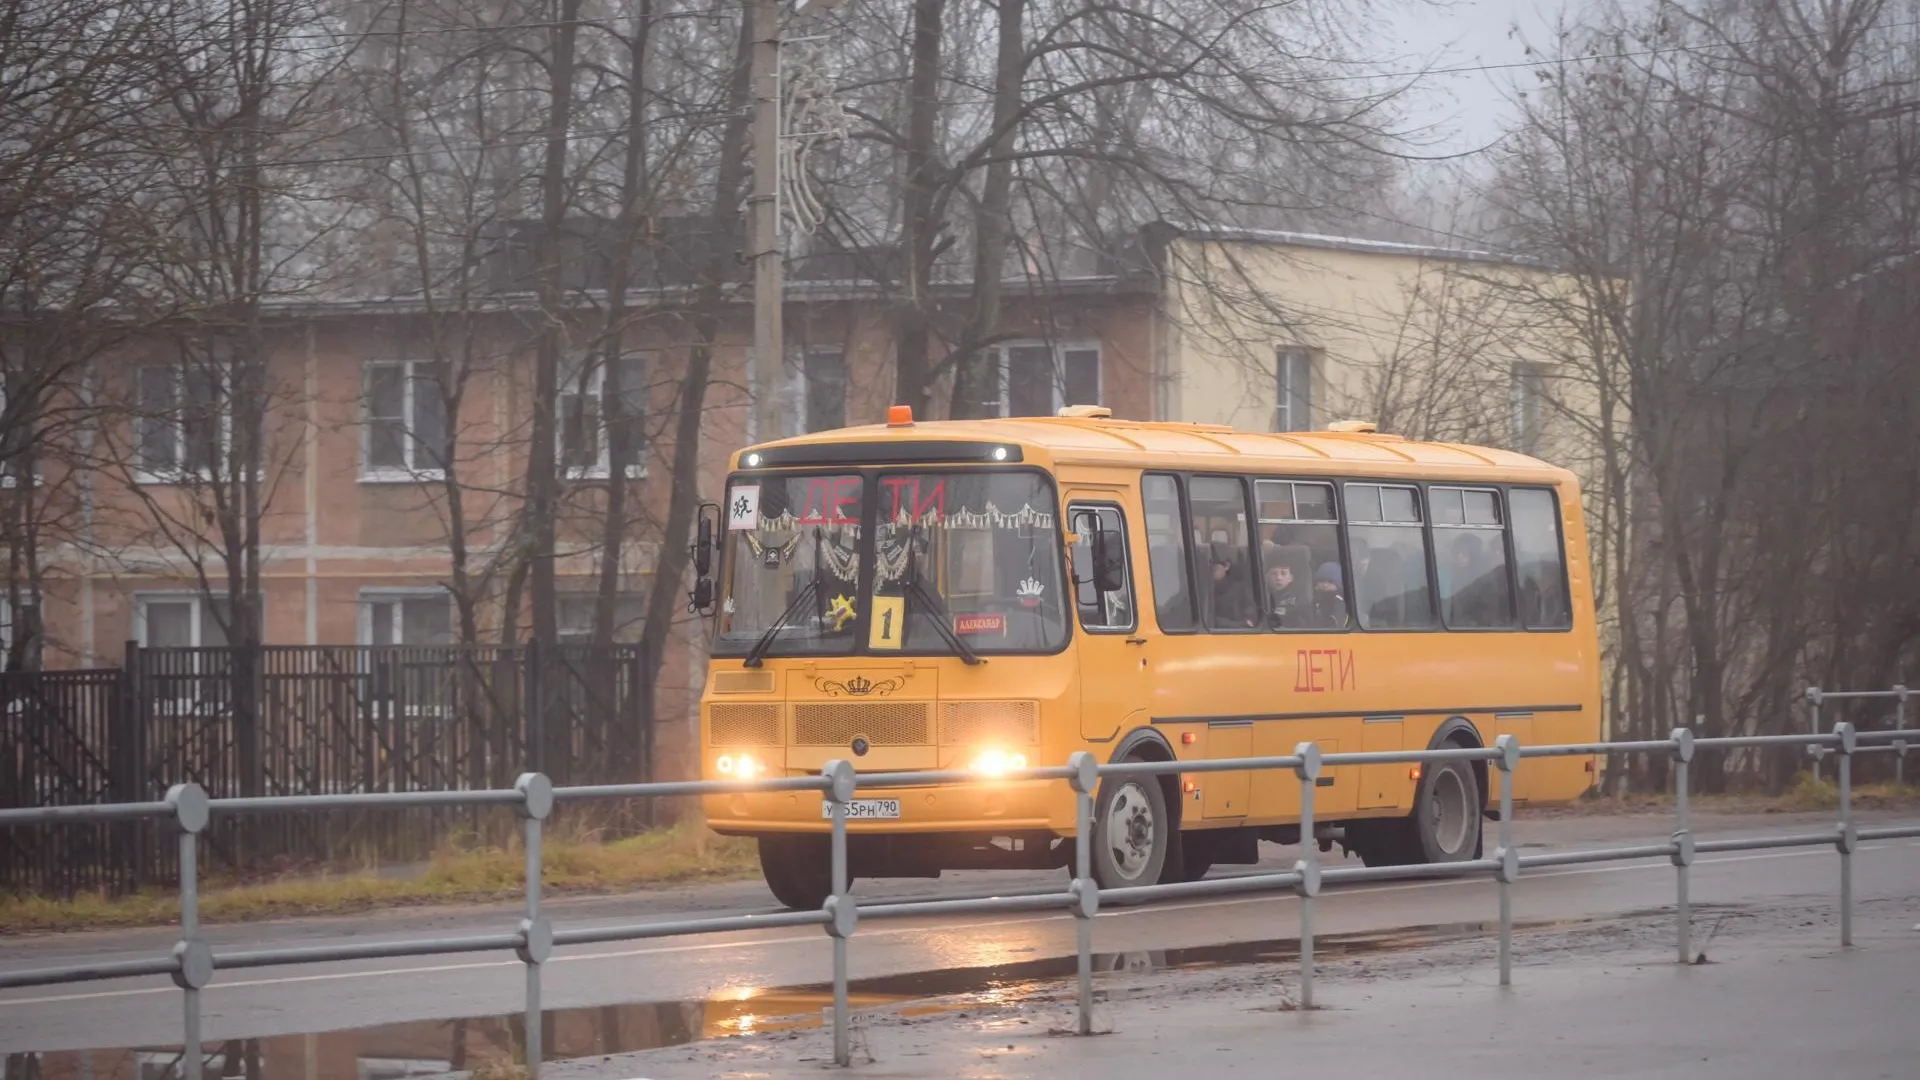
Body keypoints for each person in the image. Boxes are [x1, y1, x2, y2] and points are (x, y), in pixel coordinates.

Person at [1207, 541, 1257, 628]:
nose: (1209, 570)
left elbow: (1250, 621)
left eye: (1214, 566)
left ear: (1226, 566)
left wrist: (1221, 623)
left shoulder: (1242, 590)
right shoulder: (1199, 591)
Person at [1312, 562, 1350, 628]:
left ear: (1338, 585)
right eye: (1321, 581)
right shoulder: (1309, 607)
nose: (1325, 585)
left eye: (1330, 582)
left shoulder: (1344, 608)